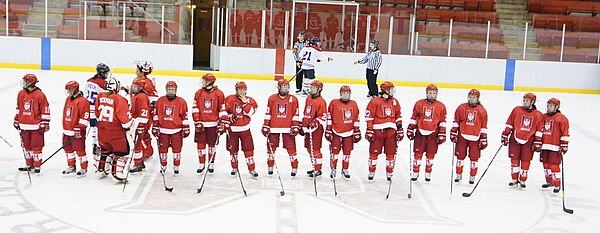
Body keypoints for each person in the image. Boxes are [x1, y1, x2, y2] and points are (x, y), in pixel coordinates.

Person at [501, 93, 543, 189]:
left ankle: (523, 179)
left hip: (529, 140)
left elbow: (539, 130)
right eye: (524, 100)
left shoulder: (538, 115)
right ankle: (514, 179)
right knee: (514, 159)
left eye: (527, 100)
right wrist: (505, 134)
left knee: (526, 160)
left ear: (532, 102)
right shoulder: (516, 110)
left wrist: (538, 141)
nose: (525, 102)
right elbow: (510, 123)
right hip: (515, 138)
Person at [406, 84, 447, 182]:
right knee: (418, 154)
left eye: (433, 93)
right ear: (426, 93)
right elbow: (414, 117)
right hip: (420, 133)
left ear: (436, 94)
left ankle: (428, 172)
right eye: (429, 93)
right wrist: (411, 128)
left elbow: (442, 121)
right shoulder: (419, 104)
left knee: (430, 155)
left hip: (433, 134)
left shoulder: (441, 106)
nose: (431, 95)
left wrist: (442, 132)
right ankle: (415, 172)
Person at [95, 77, 133, 182]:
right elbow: (125, 120)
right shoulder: (120, 99)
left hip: (101, 129)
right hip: (115, 131)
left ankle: (102, 168)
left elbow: (97, 114)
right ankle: (117, 172)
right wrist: (128, 127)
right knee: (122, 151)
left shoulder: (100, 96)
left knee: (105, 149)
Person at [365, 81, 404, 181]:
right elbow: (369, 116)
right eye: (390, 89)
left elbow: (398, 116)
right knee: (374, 153)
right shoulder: (375, 101)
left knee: (390, 153)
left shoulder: (395, 102)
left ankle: (389, 172)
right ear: (385, 91)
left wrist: (400, 129)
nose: (392, 91)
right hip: (377, 131)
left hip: (391, 132)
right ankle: (371, 171)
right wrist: (369, 129)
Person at [262, 79, 301, 176]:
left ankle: (294, 166)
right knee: (271, 148)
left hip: (288, 128)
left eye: (287, 86)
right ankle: (270, 166)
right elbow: (268, 113)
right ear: (279, 88)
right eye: (283, 86)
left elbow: (295, 114)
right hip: (273, 128)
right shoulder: (272, 98)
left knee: (291, 148)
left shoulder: (293, 99)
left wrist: (295, 125)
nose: (285, 88)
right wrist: (266, 124)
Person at [220, 81, 259, 177]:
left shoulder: (251, 100)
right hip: (232, 130)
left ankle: (251, 169)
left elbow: (249, 112)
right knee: (233, 150)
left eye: (243, 89)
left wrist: (245, 103)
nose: (241, 91)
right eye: (239, 89)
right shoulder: (229, 99)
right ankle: (234, 167)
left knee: (248, 150)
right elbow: (223, 111)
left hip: (245, 130)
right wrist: (228, 117)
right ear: (236, 90)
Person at [14, 74, 51, 174]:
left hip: (36, 126)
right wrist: (16, 119)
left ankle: (37, 165)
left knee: (37, 146)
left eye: (26, 81)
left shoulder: (40, 94)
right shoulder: (21, 93)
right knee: (27, 146)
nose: (24, 83)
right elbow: (19, 108)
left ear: (31, 83)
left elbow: (45, 109)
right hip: (23, 125)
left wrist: (45, 122)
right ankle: (29, 164)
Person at [451, 89, 488, 184]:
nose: (471, 99)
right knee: (460, 157)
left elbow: (483, 126)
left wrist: (483, 138)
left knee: (474, 158)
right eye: (470, 97)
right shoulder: (461, 108)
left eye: (474, 97)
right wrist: (454, 132)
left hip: (475, 138)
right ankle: (458, 174)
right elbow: (456, 121)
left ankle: (472, 176)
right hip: (462, 136)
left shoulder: (482, 111)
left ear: (477, 99)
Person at [153, 81, 190, 175]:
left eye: (172, 90)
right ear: (166, 90)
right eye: (169, 89)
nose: (171, 91)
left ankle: (176, 166)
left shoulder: (181, 101)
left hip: (176, 130)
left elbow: (184, 116)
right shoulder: (160, 100)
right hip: (163, 130)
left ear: (176, 90)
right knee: (163, 149)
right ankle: (163, 166)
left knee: (177, 149)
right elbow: (156, 114)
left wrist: (185, 127)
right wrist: (155, 126)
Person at [192, 73, 225, 173]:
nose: (203, 82)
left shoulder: (219, 94)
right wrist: (197, 120)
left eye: (205, 80)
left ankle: (211, 163)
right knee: (200, 144)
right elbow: (195, 107)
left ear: (210, 82)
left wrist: (222, 121)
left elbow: (222, 109)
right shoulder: (198, 93)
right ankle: (201, 163)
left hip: (213, 124)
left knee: (212, 145)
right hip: (201, 123)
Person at [326, 85, 360, 178]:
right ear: (340, 94)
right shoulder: (334, 103)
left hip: (349, 132)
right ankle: (333, 169)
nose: (345, 95)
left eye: (347, 93)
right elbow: (329, 116)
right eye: (343, 93)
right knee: (335, 152)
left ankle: (345, 169)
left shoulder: (353, 104)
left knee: (347, 152)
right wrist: (328, 129)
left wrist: (357, 130)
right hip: (336, 131)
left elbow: (357, 117)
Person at [61, 81, 91, 177]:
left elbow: (85, 116)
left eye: (69, 89)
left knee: (80, 150)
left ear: (75, 89)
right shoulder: (68, 99)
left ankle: (83, 168)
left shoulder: (83, 101)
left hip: (77, 131)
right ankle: (71, 166)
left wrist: (80, 128)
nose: (68, 92)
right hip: (67, 130)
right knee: (68, 149)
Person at [540, 98, 570, 193]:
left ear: (556, 107)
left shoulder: (561, 118)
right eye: (548, 105)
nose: (549, 108)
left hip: (555, 146)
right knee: (545, 164)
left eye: (551, 106)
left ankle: (557, 184)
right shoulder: (543, 117)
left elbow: (565, 132)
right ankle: (549, 181)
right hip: (544, 145)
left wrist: (564, 144)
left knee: (554, 165)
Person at [301, 81, 327, 177]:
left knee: (315, 149)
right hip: (308, 129)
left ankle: (318, 169)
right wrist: (302, 125)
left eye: (313, 88)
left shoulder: (321, 102)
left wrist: (315, 122)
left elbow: (323, 116)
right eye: (311, 87)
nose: (311, 89)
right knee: (309, 148)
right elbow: (306, 113)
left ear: (319, 90)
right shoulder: (308, 99)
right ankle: (314, 166)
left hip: (316, 130)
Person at [85, 63, 109, 157]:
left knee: (93, 127)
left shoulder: (89, 81)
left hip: (87, 108)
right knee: (98, 128)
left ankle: (94, 144)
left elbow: (85, 94)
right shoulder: (103, 84)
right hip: (97, 109)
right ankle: (98, 145)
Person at [128, 78, 152, 173]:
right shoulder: (138, 96)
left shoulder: (141, 97)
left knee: (137, 144)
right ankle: (140, 162)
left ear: (140, 87)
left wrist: (141, 125)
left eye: (134, 86)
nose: (132, 88)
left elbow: (144, 112)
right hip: (137, 123)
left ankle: (137, 163)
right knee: (137, 142)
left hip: (139, 123)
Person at [135, 60, 157, 162]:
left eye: (137, 70)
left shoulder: (148, 84)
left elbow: (154, 101)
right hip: (137, 113)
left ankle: (144, 152)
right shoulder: (137, 80)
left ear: (142, 71)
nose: (135, 71)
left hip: (144, 114)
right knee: (142, 133)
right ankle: (148, 151)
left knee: (141, 133)